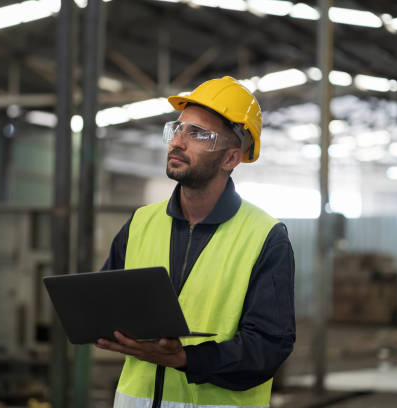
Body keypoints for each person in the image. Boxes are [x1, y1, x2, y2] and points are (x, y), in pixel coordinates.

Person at [96, 76, 296, 408]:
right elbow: (105, 305)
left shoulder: (265, 237)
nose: (178, 142)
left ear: (231, 159)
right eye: (177, 129)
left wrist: (187, 358)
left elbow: (269, 347)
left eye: (198, 134)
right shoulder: (141, 223)